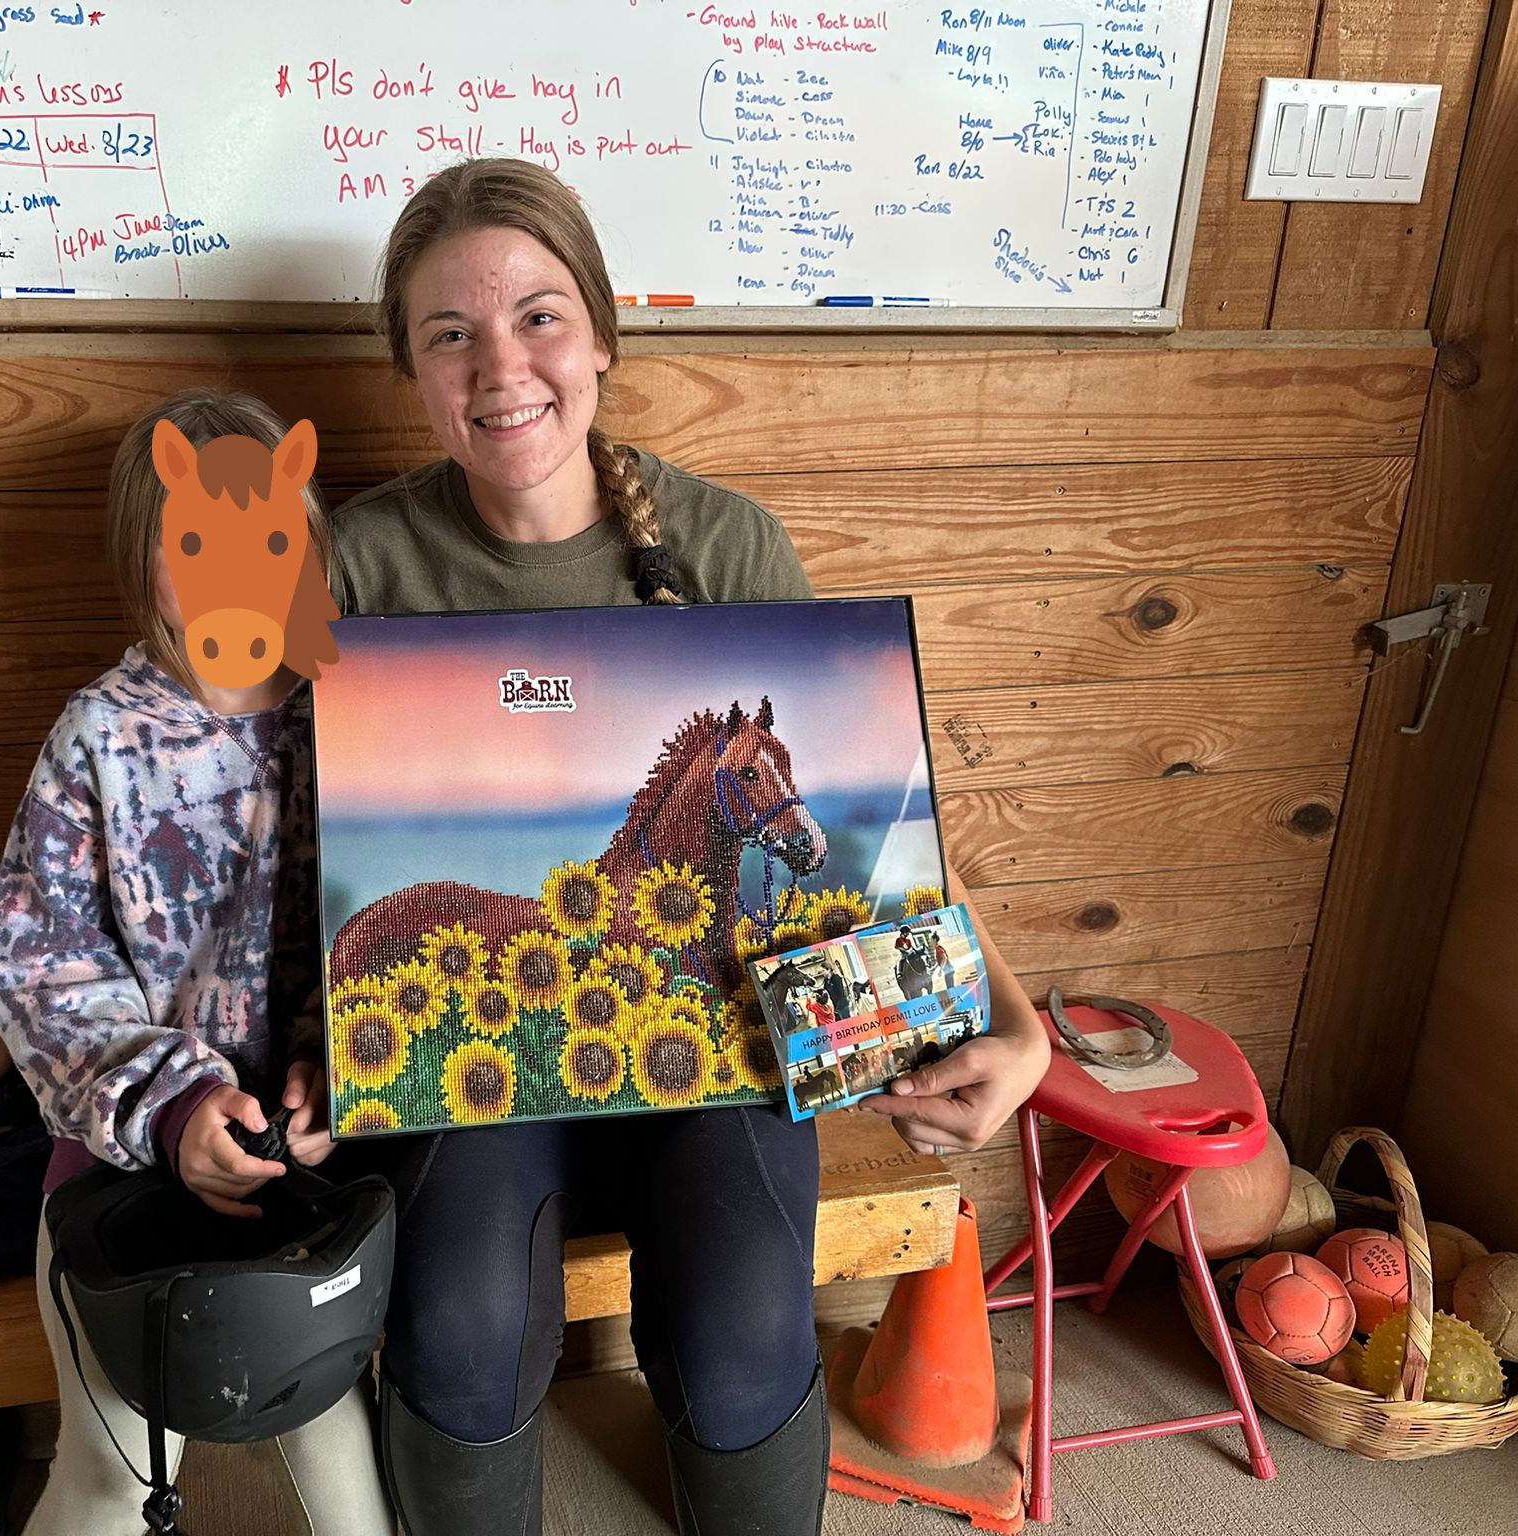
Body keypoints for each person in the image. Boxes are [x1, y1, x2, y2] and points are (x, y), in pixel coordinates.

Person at [328, 157, 1054, 1536]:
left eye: (540, 316)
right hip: (500, 1043)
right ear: (411, 372)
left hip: (720, 1037)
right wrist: (39, 985)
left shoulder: (728, 544)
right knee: (465, 1322)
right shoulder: (356, 567)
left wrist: (1012, 1024)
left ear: (601, 333)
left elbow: (869, 847)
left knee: (741, 1327)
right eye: (449, 334)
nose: (502, 365)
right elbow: (193, 778)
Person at [0, 389, 394, 1536]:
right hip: (122, 1151)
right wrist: (173, 1105)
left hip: (309, 1153)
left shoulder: (358, 717)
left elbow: (395, 930)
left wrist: (329, 1074)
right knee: (111, 1470)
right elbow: (39, 968)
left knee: (334, 1439)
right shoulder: (97, 737)